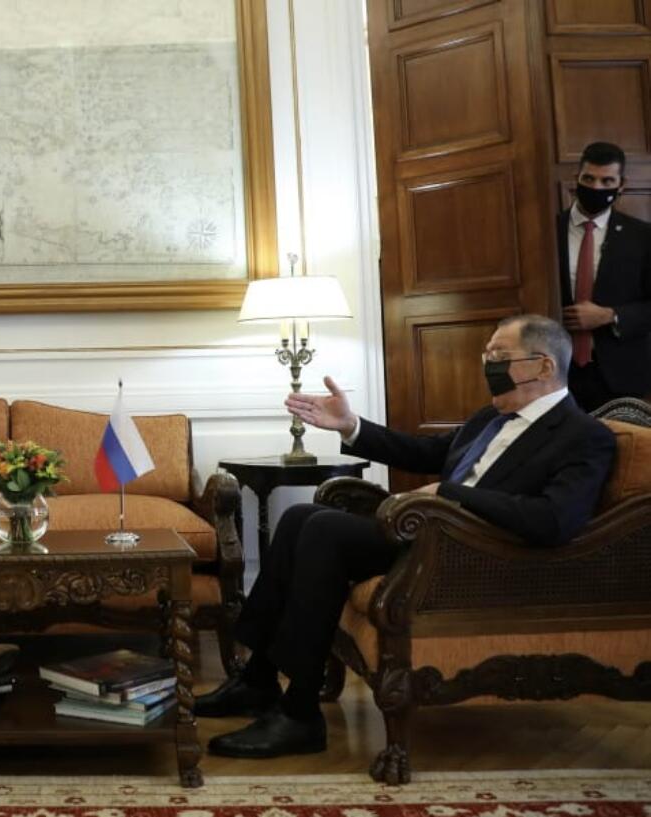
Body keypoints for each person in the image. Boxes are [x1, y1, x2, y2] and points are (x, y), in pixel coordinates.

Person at [196, 315, 615, 759]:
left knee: (323, 527)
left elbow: (553, 520)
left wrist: (449, 494)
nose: (486, 364)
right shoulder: (490, 418)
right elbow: (427, 452)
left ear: (543, 367)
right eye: (486, 355)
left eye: (498, 356)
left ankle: (299, 713)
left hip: (475, 553)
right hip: (429, 534)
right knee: (301, 515)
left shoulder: (584, 436)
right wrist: (351, 426)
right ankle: (258, 680)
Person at [557, 141, 651, 411]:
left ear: (621, 184)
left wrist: (611, 315)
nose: (597, 188)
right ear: (577, 178)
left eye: (607, 180)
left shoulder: (642, 237)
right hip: (557, 372)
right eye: (589, 178)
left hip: (620, 374)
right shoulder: (547, 230)